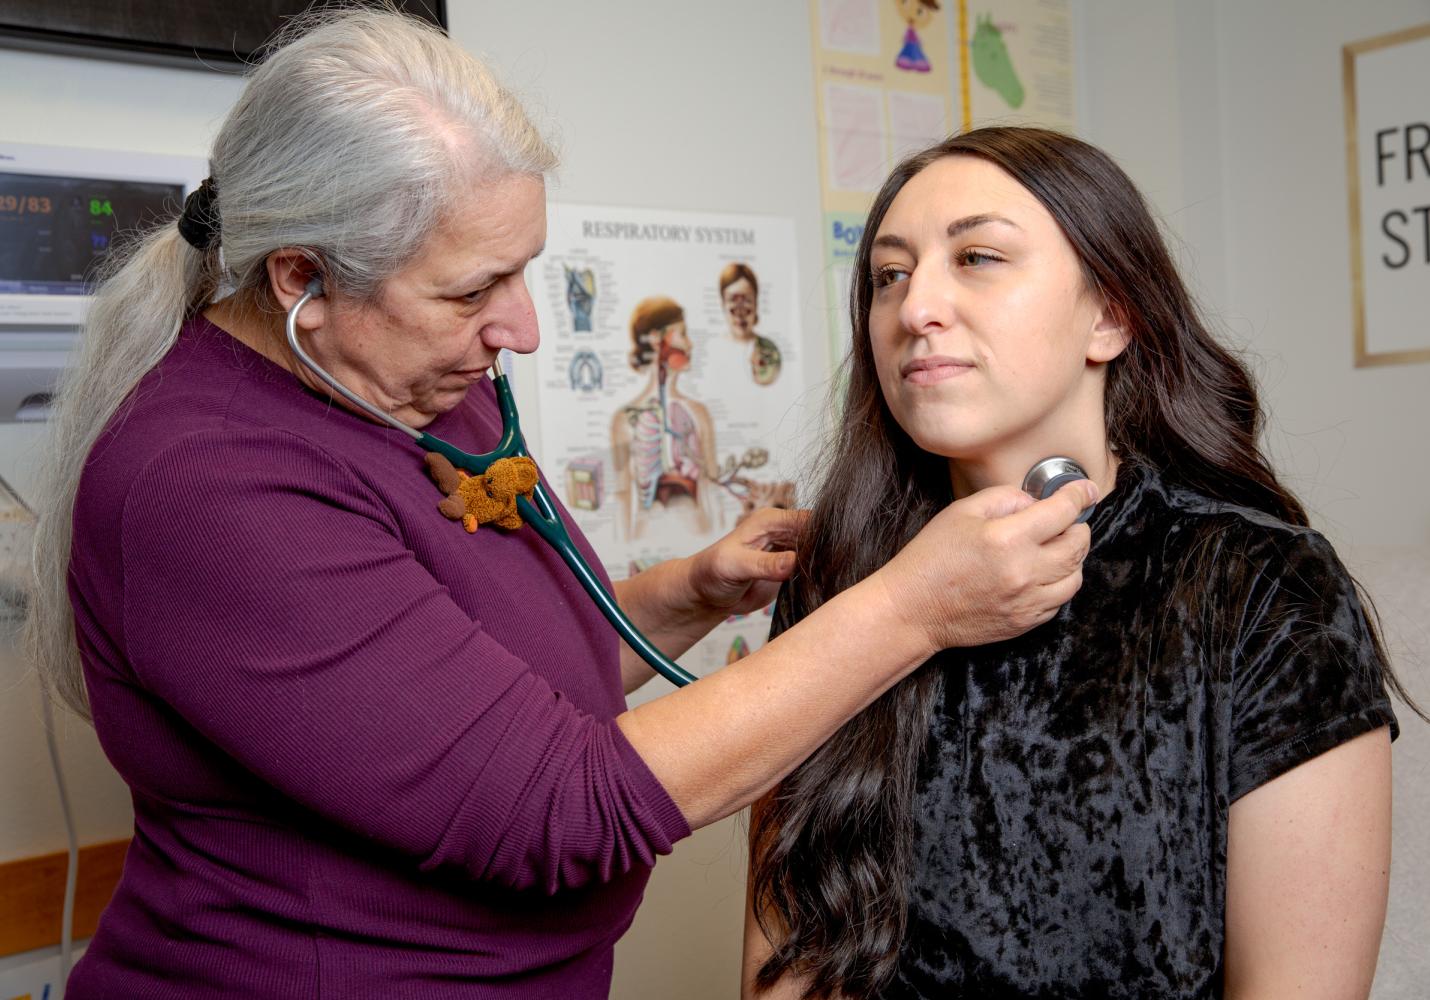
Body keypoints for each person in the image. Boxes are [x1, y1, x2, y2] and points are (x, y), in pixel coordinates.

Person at [23, 15, 1097, 1000]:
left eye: (523, 271)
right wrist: (912, 608)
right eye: (468, 292)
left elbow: (459, 682)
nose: (522, 332)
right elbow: (558, 804)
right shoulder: (203, 485)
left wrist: (676, 599)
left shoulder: (420, 380)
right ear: (302, 278)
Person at [743, 127, 1412, 1000]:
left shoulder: (1264, 589)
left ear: (1110, 315)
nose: (915, 309)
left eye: (977, 257)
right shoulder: (837, 582)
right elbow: (785, 967)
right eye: (889, 275)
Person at [610, 296, 720, 540]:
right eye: (683, 334)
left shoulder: (699, 414)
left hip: (700, 541)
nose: (690, 345)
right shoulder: (624, 420)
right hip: (647, 543)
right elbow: (623, 497)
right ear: (656, 339)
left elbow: (712, 490)